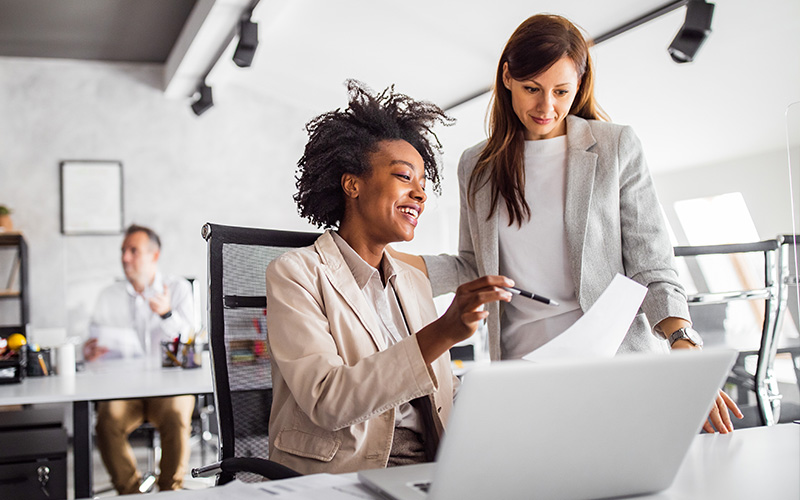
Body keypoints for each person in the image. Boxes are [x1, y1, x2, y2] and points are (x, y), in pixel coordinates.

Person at [393, 14, 742, 433]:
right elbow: (473, 266)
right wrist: (386, 261)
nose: (546, 107)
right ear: (507, 77)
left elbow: (651, 265)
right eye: (531, 90)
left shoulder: (615, 147)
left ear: (579, 84)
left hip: (613, 366)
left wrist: (683, 344)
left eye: (561, 91)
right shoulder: (477, 165)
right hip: (523, 371)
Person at [265, 80, 513, 475]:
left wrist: (509, 403)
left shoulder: (412, 279)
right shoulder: (295, 275)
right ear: (353, 185)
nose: (420, 194)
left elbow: (441, 388)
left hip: (431, 464)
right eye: (404, 177)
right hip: (349, 472)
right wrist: (444, 331)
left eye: (422, 183)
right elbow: (329, 400)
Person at [83, 224, 196, 493]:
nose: (125, 258)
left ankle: (170, 491)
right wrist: (88, 351)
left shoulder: (177, 288)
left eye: (133, 251)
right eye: (123, 251)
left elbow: (190, 342)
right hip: (124, 389)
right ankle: (130, 493)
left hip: (169, 387)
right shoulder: (108, 296)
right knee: (107, 420)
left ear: (154, 255)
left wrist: (167, 314)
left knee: (178, 414)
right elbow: (91, 341)